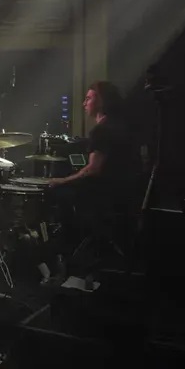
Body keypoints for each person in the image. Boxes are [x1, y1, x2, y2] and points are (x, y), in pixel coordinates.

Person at [39, 80, 139, 282]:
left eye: (88, 98)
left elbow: (93, 169)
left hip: (105, 198)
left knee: (53, 193)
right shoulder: (121, 126)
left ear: (101, 102)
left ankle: (65, 254)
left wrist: (61, 181)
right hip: (126, 195)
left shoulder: (101, 131)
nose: (84, 103)